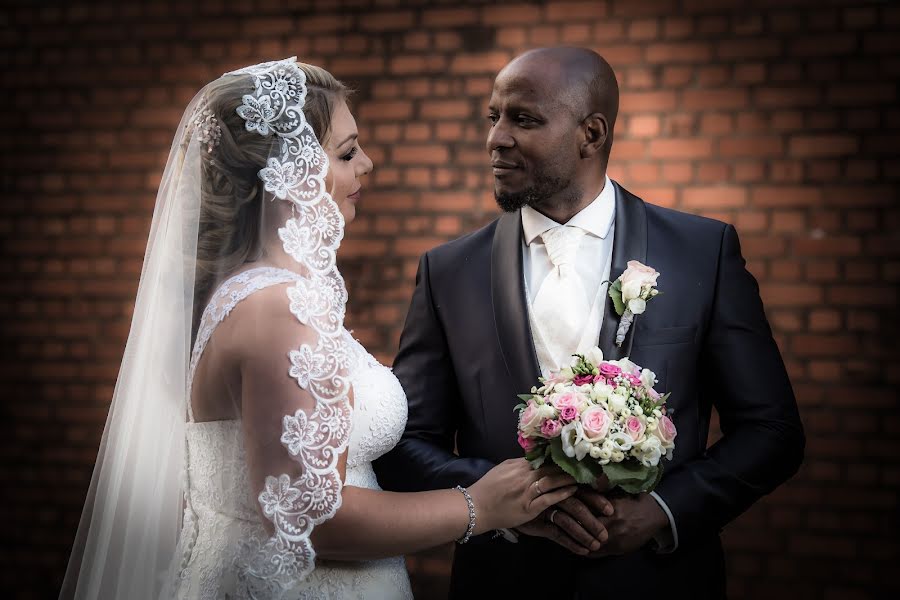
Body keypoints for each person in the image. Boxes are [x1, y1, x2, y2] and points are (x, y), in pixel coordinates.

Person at [59, 57, 579, 600]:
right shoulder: (276, 309)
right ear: (291, 172)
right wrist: (481, 506)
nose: (368, 165)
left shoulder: (256, 294)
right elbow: (310, 520)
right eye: (348, 152)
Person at [374, 47, 805, 598]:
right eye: (493, 117)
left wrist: (662, 511)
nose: (495, 139)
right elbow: (407, 441)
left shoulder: (702, 252)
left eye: (523, 119)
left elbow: (773, 431)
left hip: (659, 583)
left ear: (592, 134)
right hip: (503, 584)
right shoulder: (447, 271)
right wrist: (497, 503)